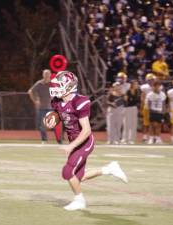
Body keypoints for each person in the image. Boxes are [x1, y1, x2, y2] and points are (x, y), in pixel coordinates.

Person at [45, 70, 128, 211]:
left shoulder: (79, 101)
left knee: (67, 172)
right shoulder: (57, 102)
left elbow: (86, 130)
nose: (55, 88)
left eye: (59, 85)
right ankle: (109, 169)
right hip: (75, 141)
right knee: (78, 178)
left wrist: (71, 146)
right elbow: (62, 115)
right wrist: (53, 119)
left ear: (69, 86)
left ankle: (80, 200)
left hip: (84, 142)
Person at [28, 69, 53, 143]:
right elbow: (30, 91)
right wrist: (35, 101)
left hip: (51, 108)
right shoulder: (39, 83)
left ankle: (60, 140)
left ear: (50, 75)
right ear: (43, 75)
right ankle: (44, 140)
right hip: (41, 108)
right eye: (45, 74)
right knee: (42, 125)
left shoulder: (53, 84)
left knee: (54, 125)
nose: (46, 75)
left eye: (48, 74)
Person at [146, 80, 166, 144]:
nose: (157, 87)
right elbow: (148, 104)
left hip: (160, 111)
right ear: (153, 87)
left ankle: (157, 138)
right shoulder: (150, 94)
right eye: (155, 86)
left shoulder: (162, 94)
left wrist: (163, 111)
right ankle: (151, 138)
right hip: (153, 111)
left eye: (158, 86)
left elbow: (163, 103)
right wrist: (149, 111)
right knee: (152, 125)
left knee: (159, 125)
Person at [140, 73, 157, 142]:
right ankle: (144, 136)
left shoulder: (157, 87)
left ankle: (152, 136)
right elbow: (142, 98)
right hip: (147, 106)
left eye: (152, 80)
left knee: (153, 123)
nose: (151, 81)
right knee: (145, 123)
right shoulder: (144, 87)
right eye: (149, 80)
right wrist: (142, 106)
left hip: (155, 107)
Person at [122, 79, 140, 144]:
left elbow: (138, 101)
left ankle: (131, 139)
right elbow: (125, 101)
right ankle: (125, 139)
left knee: (133, 124)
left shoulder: (137, 91)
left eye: (137, 84)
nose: (137, 85)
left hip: (134, 108)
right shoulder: (128, 91)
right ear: (132, 85)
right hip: (127, 108)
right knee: (127, 124)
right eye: (135, 84)